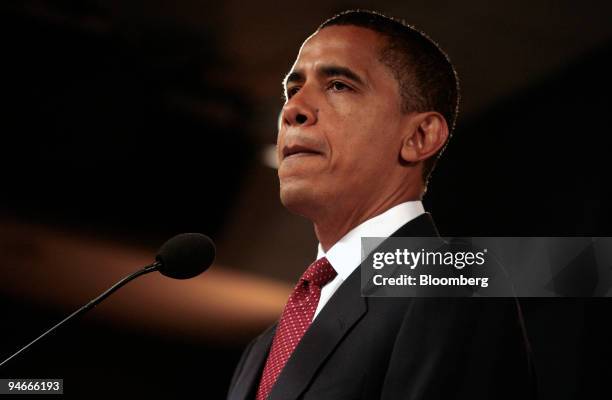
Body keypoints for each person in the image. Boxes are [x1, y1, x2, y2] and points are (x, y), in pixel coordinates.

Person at [227, 10, 535, 400]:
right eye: (292, 91)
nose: (292, 110)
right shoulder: (263, 348)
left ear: (420, 136)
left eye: (338, 85)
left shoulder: (452, 286)